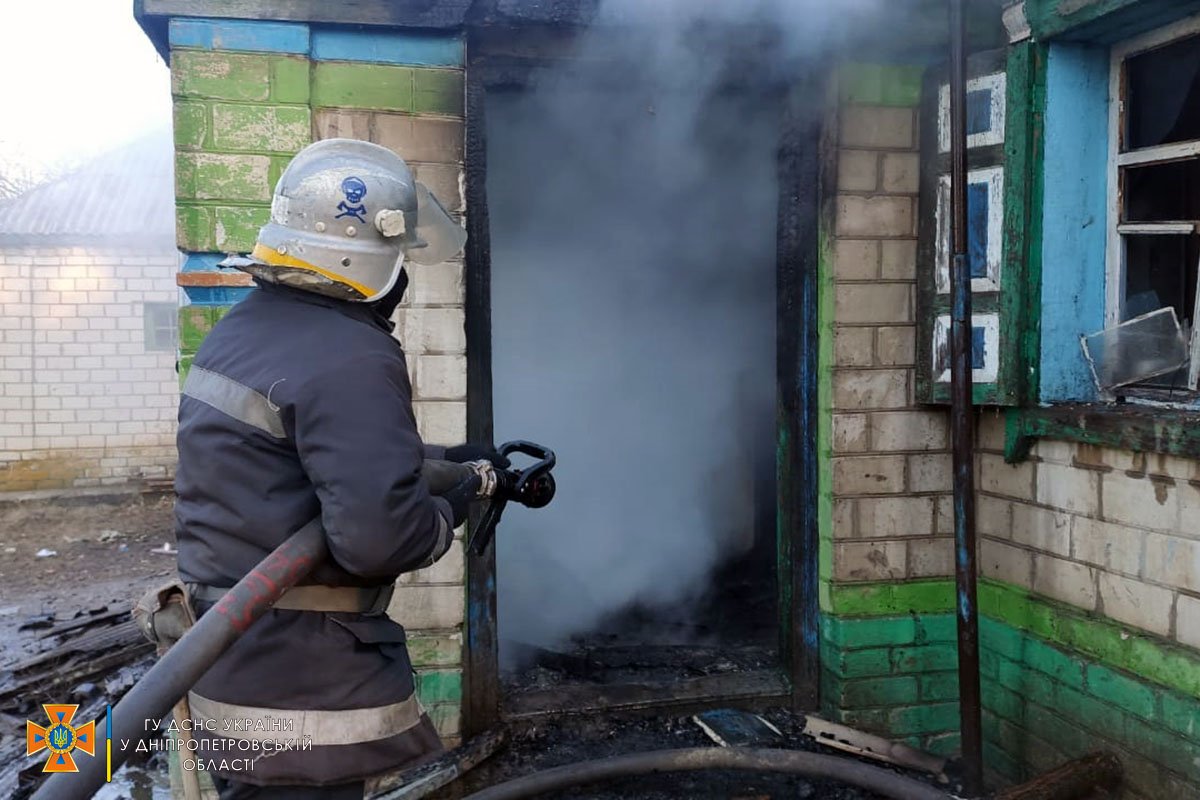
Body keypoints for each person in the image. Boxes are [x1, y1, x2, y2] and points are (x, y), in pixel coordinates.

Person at [173, 138, 499, 799]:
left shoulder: (246, 329)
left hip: (236, 657)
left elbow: (305, 461)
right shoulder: (350, 354)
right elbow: (381, 540)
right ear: (365, 254)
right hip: (302, 687)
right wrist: (456, 500)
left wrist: (450, 459)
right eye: (401, 256)